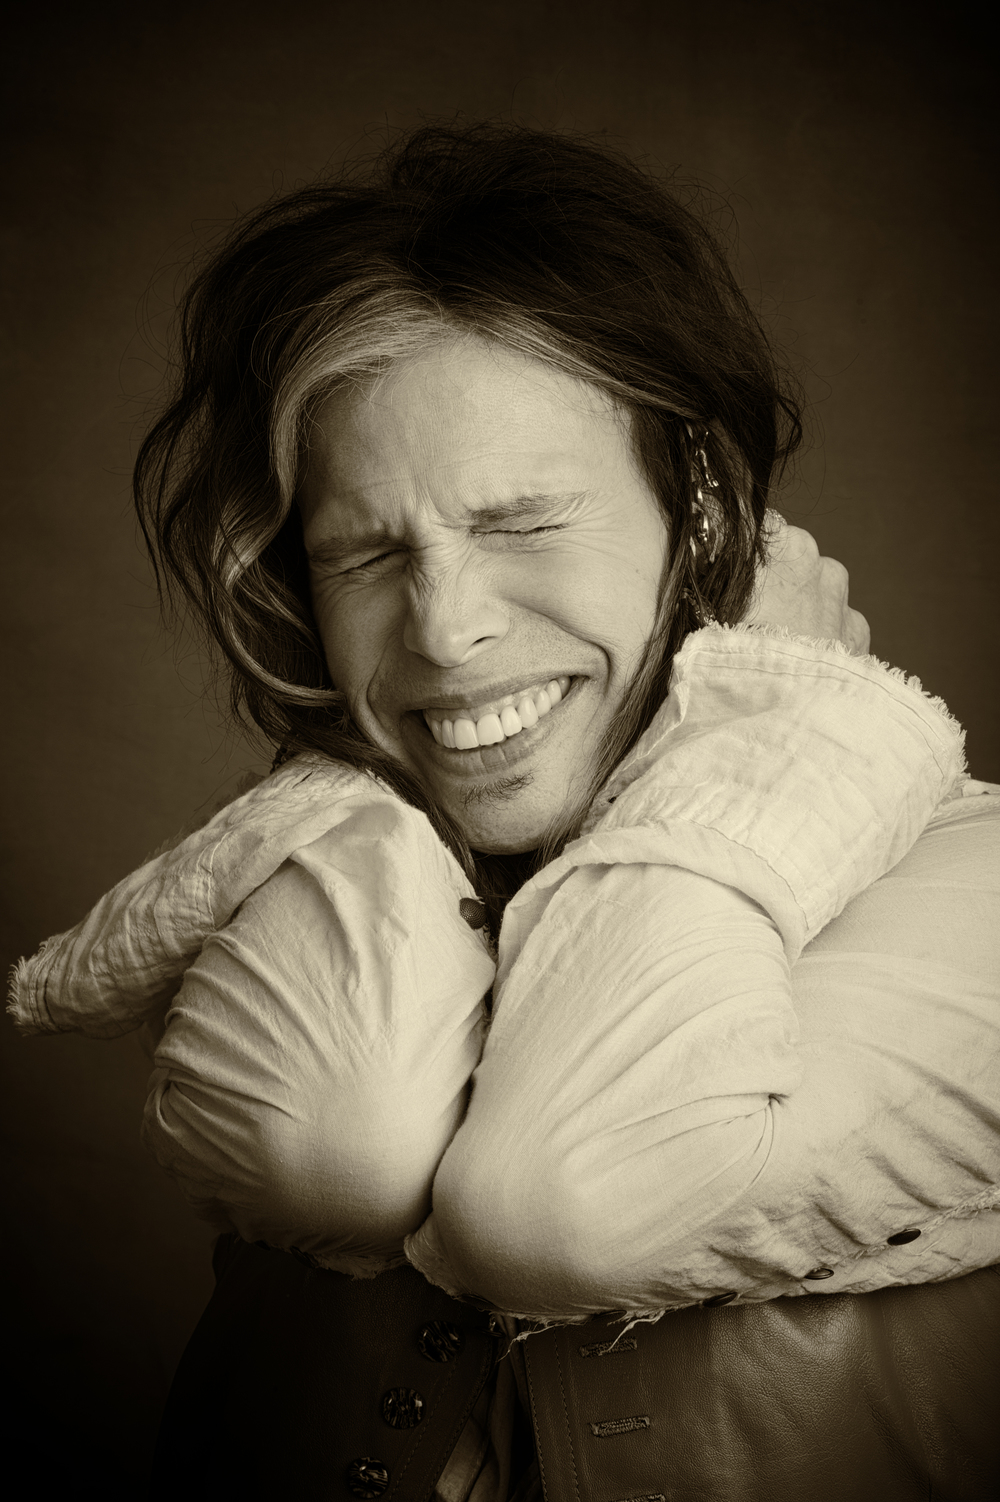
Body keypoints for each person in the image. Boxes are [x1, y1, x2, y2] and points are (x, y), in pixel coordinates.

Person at [9, 124, 999, 1500]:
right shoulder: (332, 883)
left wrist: (788, 735)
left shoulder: (987, 901)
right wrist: (345, 808)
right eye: (366, 549)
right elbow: (338, 1145)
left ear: (699, 507)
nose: (446, 631)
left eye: (526, 523)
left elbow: (564, 1193)